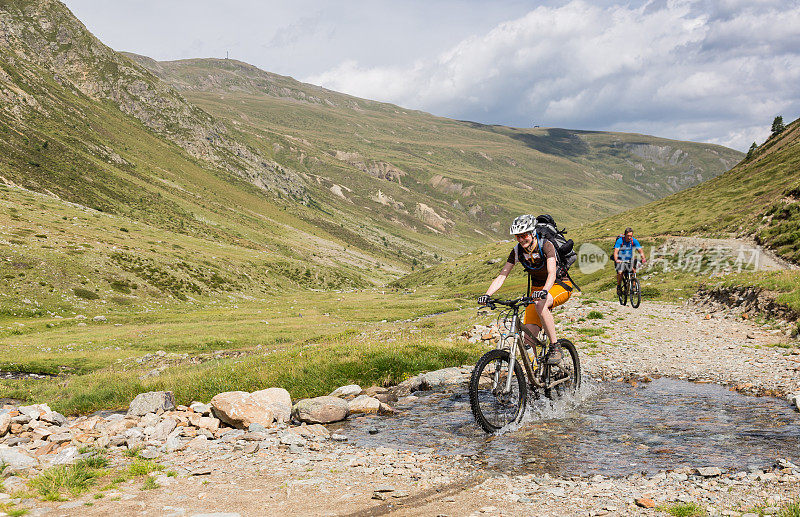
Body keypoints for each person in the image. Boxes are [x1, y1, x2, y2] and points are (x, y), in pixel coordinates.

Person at [477, 214, 574, 364]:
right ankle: (534, 377)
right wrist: (487, 294)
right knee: (528, 339)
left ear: (532, 233)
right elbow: (502, 276)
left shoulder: (546, 245)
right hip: (537, 289)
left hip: (559, 285)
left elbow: (552, 273)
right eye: (518, 236)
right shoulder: (517, 251)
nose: (521, 240)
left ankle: (555, 346)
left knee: (540, 304)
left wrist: (545, 291)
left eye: (524, 235)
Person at [613, 227, 646, 295]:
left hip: (629, 259)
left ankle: (633, 286)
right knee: (620, 272)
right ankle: (619, 287)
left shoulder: (633, 240)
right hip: (620, 260)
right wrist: (616, 260)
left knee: (633, 270)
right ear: (625, 235)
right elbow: (616, 251)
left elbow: (640, 250)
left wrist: (643, 258)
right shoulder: (620, 241)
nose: (629, 237)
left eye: (631, 236)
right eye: (628, 236)